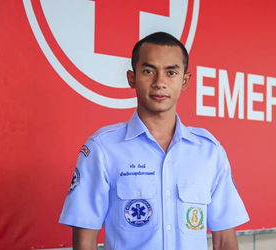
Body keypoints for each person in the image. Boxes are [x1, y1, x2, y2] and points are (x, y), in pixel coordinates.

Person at [59, 32, 249, 250]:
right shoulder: (103, 149)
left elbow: (225, 241)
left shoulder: (209, 151)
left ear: (185, 80)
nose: (160, 83)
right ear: (132, 78)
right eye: (149, 71)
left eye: (171, 72)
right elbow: (85, 242)